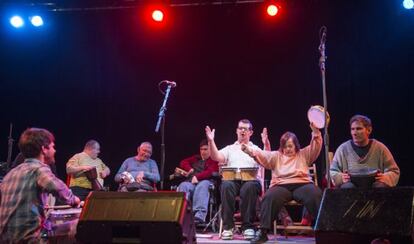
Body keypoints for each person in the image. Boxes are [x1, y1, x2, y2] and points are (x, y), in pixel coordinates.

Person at [242, 122, 323, 243]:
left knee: (316, 194)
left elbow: (315, 146)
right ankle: (263, 232)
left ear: (296, 145)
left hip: (302, 184)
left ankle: (323, 231)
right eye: (285, 146)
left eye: (290, 146)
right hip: (281, 186)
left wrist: (316, 133)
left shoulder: (304, 154)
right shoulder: (276, 156)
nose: (288, 149)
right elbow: (262, 155)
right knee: (269, 197)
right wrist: (249, 150)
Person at [0, 128, 80, 243]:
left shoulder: (10, 175)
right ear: (44, 149)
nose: (55, 150)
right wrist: (75, 200)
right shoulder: (38, 169)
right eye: (52, 146)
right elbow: (60, 189)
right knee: (77, 225)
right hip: (30, 240)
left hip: (6, 240)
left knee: (49, 225)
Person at [205, 119, 262, 240]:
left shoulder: (255, 148)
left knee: (249, 187)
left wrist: (266, 145)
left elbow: (267, 160)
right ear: (236, 131)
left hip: (250, 180)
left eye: (245, 129)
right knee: (226, 185)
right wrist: (211, 141)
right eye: (240, 128)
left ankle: (248, 227)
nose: (242, 131)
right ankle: (228, 227)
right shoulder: (230, 148)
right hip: (233, 180)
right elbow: (216, 157)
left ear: (250, 132)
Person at [330, 115, 400, 188]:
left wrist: (386, 177)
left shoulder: (380, 148)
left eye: (358, 129)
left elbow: (394, 171)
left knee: (380, 186)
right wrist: (341, 178)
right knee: (348, 187)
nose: (354, 133)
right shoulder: (343, 149)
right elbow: (332, 171)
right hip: (351, 186)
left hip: (375, 185)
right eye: (352, 129)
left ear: (369, 130)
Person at [176, 139, 219, 225]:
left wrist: (197, 177)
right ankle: (181, 214)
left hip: (207, 181)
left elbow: (211, 171)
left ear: (211, 149)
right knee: (183, 185)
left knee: (202, 185)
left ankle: (199, 215)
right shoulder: (196, 158)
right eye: (201, 149)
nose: (203, 152)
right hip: (192, 183)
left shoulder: (214, 159)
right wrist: (189, 169)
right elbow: (183, 162)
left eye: (205, 149)